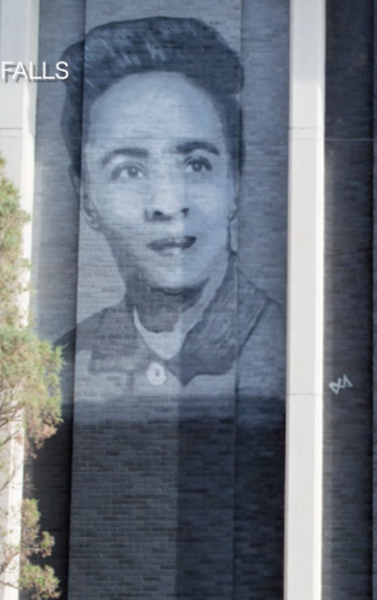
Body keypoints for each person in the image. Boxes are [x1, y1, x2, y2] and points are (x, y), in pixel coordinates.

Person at [60, 16, 283, 399]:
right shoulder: (58, 367)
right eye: (129, 171)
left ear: (235, 181)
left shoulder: (287, 345)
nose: (166, 204)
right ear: (86, 197)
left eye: (196, 164)